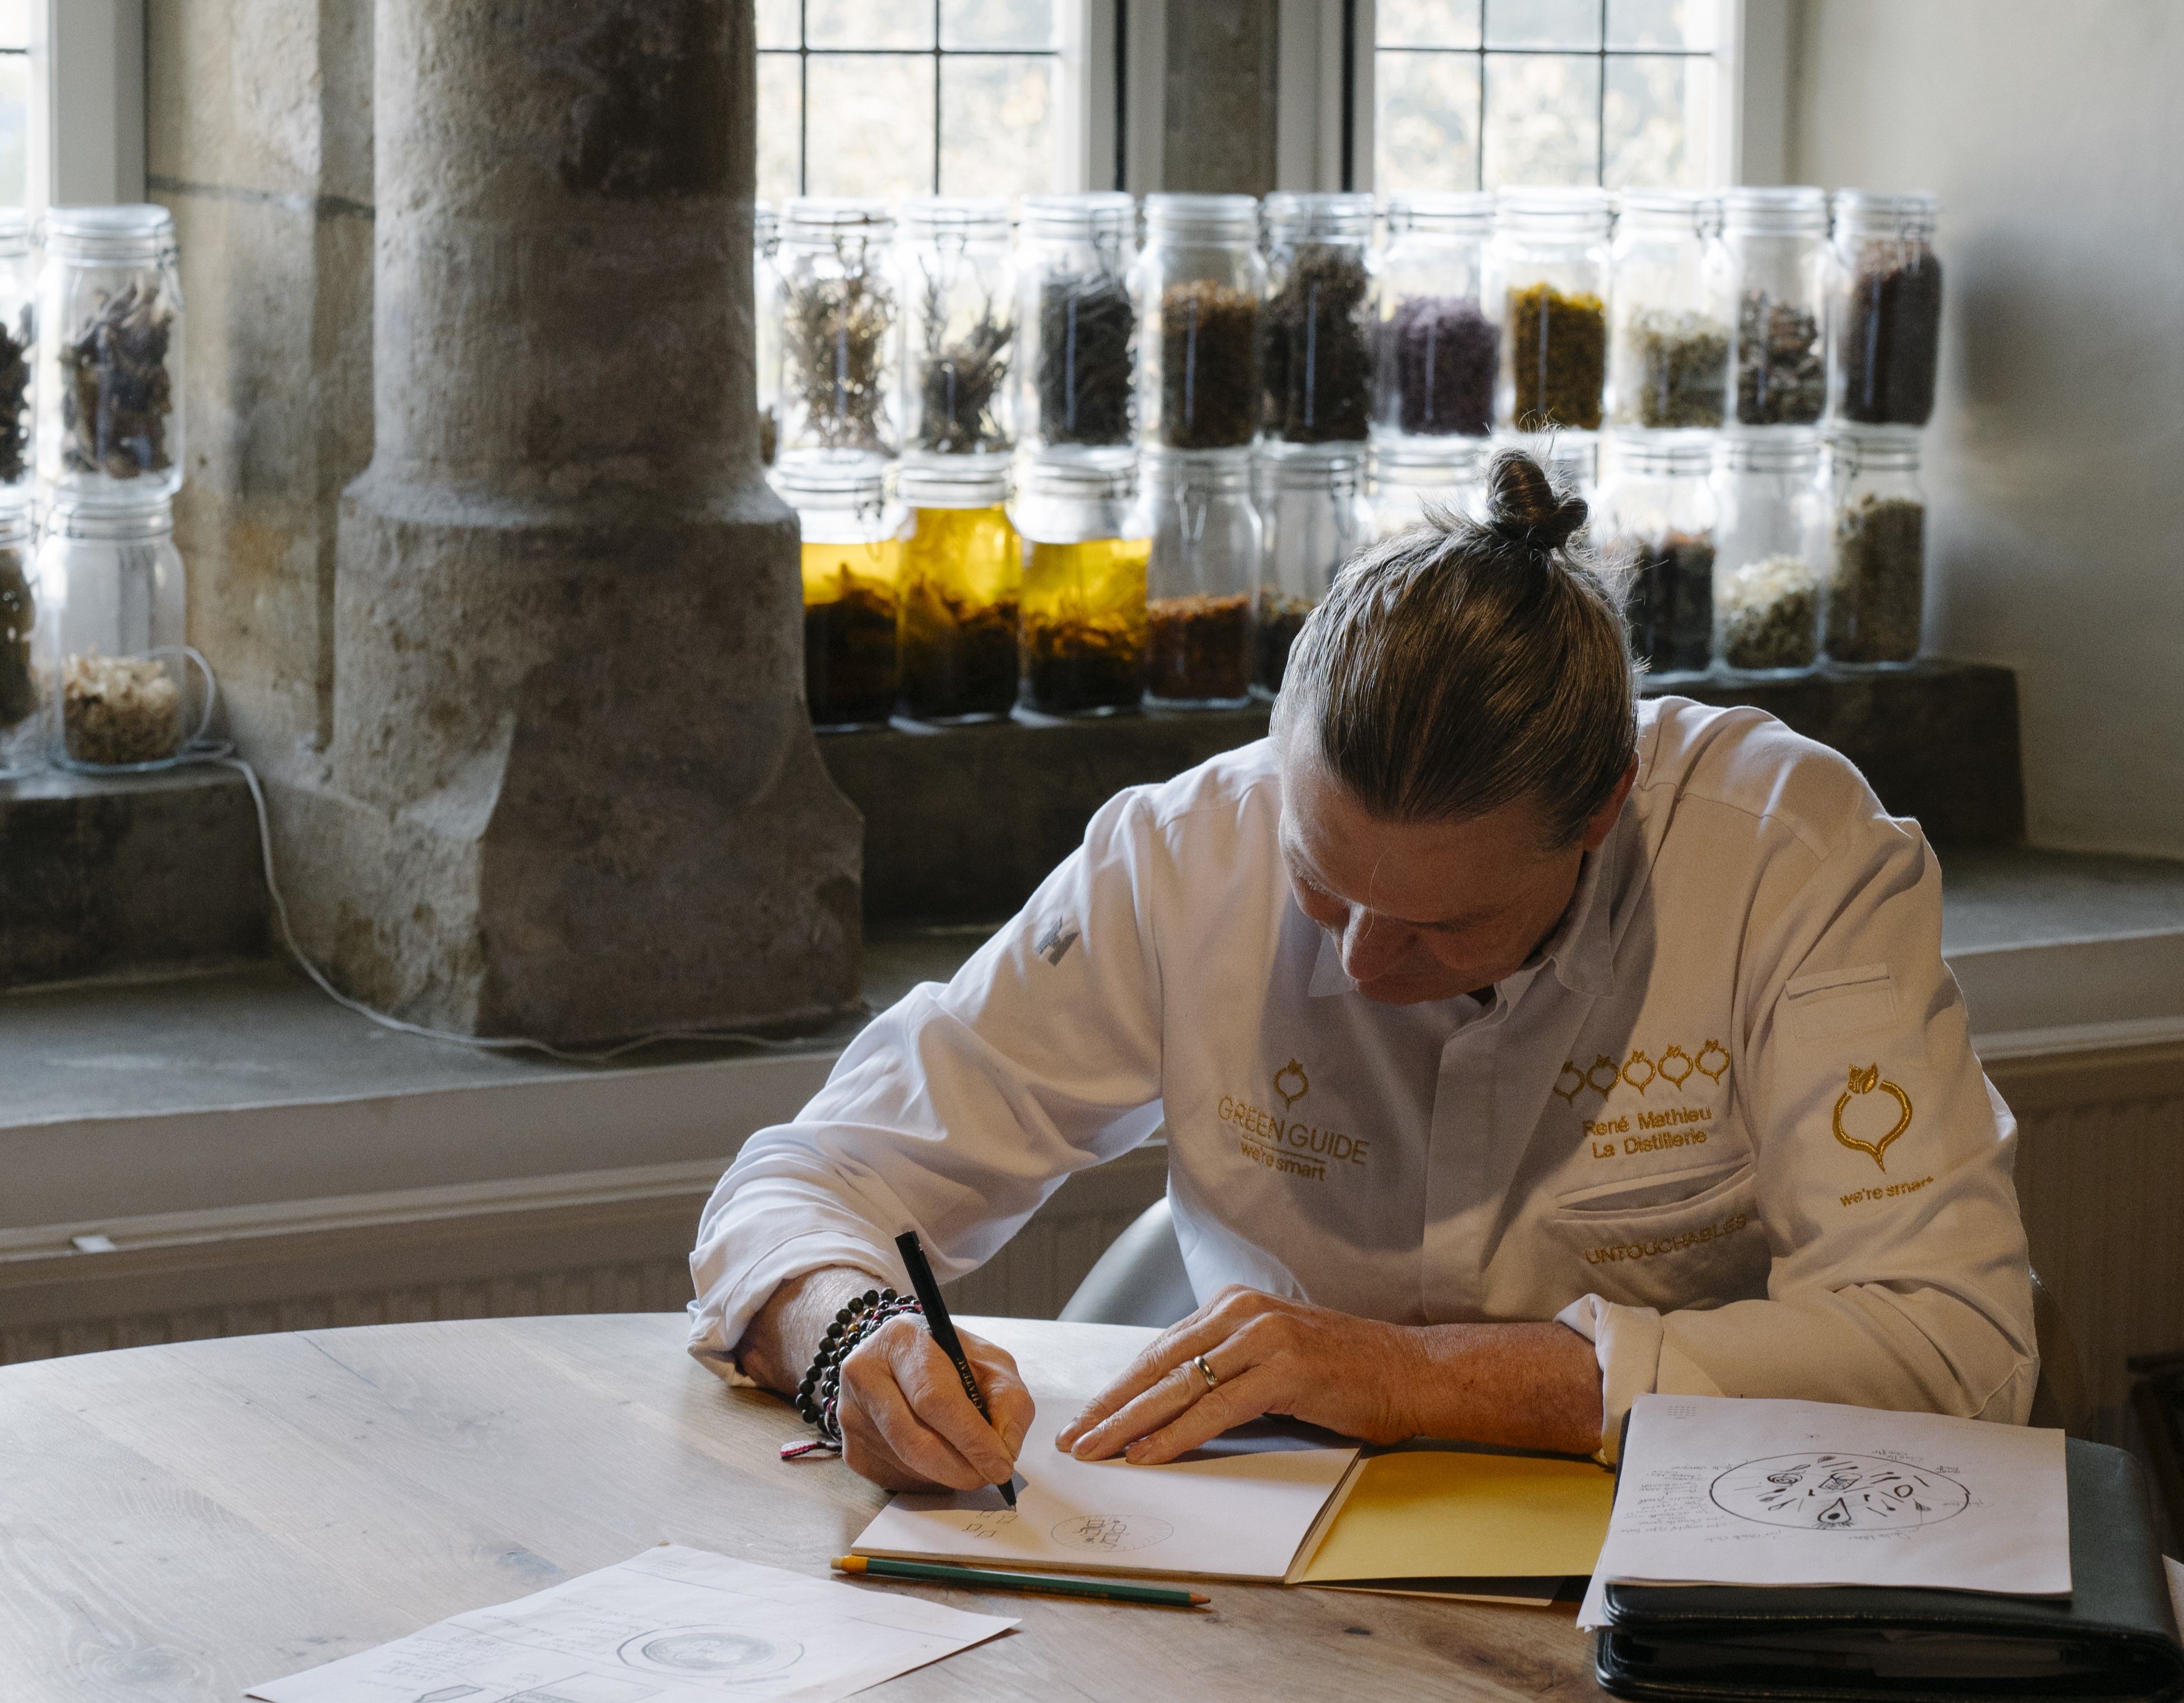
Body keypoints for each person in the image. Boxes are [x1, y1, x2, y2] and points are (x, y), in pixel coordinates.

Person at [689, 451, 2035, 1492]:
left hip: (1689, 1575)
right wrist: (848, 1343)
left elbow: (1951, 1350)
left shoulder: (1785, 859)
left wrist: (1421, 1379)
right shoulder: (1182, 856)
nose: (1361, 958)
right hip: (1274, 1583)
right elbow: (809, 1180)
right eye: (1320, 884)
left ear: (1603, 809)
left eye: (1443, 926)